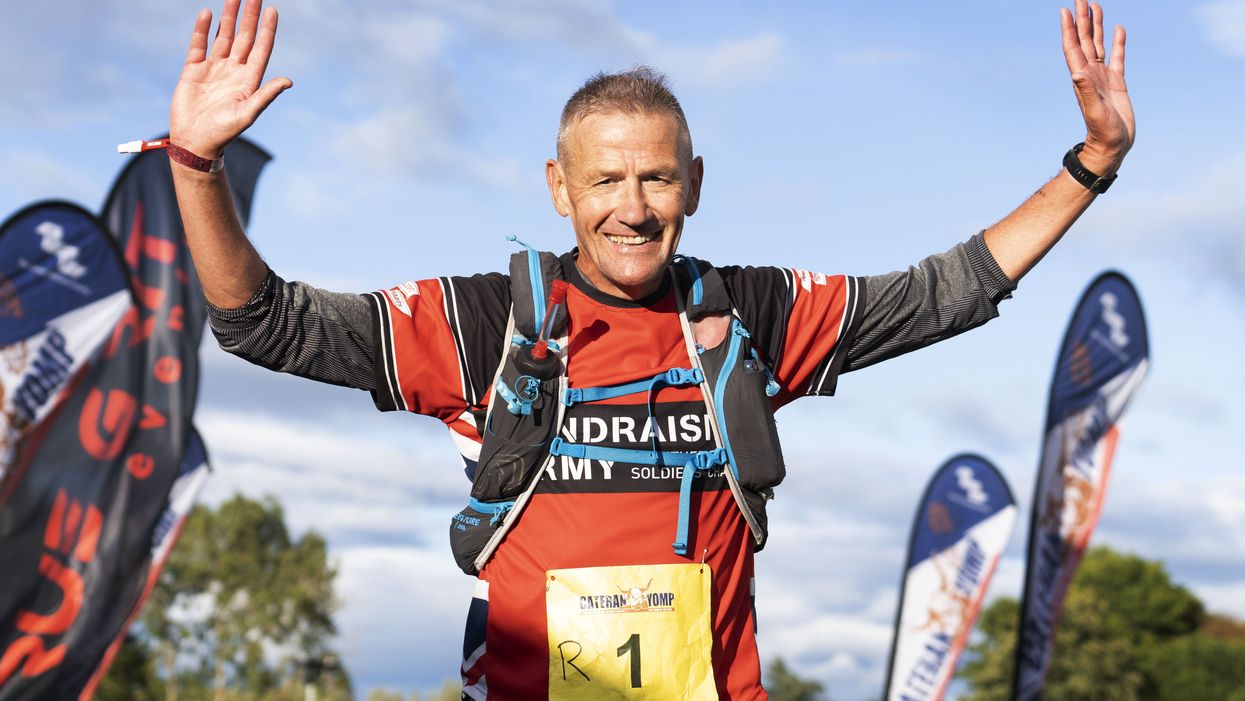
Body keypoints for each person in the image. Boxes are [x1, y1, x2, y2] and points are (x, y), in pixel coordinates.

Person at [166, 0, 1133, 698]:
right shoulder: (484, 321)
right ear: (558, 186)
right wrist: (198, 165)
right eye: (606, 181)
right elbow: (262, 321)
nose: (631, 209)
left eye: (658, 180)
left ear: (695, 185)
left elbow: (946, 293)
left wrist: (1090, 164)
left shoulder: (745, 311)